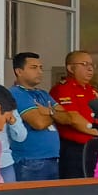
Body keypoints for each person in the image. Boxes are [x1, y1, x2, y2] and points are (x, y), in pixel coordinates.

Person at [7, 52, 65, 182]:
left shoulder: (43, 93)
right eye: (34, 68)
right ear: (19, 71)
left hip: (52, 158)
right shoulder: (15, 93)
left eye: (40, 67)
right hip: (30, 161)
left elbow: (67, 117)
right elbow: (38, 123)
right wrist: (53, 113)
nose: (39, 71)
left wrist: (48, 112)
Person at [52, 51, 98, 179]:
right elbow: (73, 118)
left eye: (91, 65)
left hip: (93, 147)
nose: (90, 68)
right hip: (74, 149)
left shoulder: (91, 90)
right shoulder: (64, 89)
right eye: (84, 64)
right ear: (70, 68)